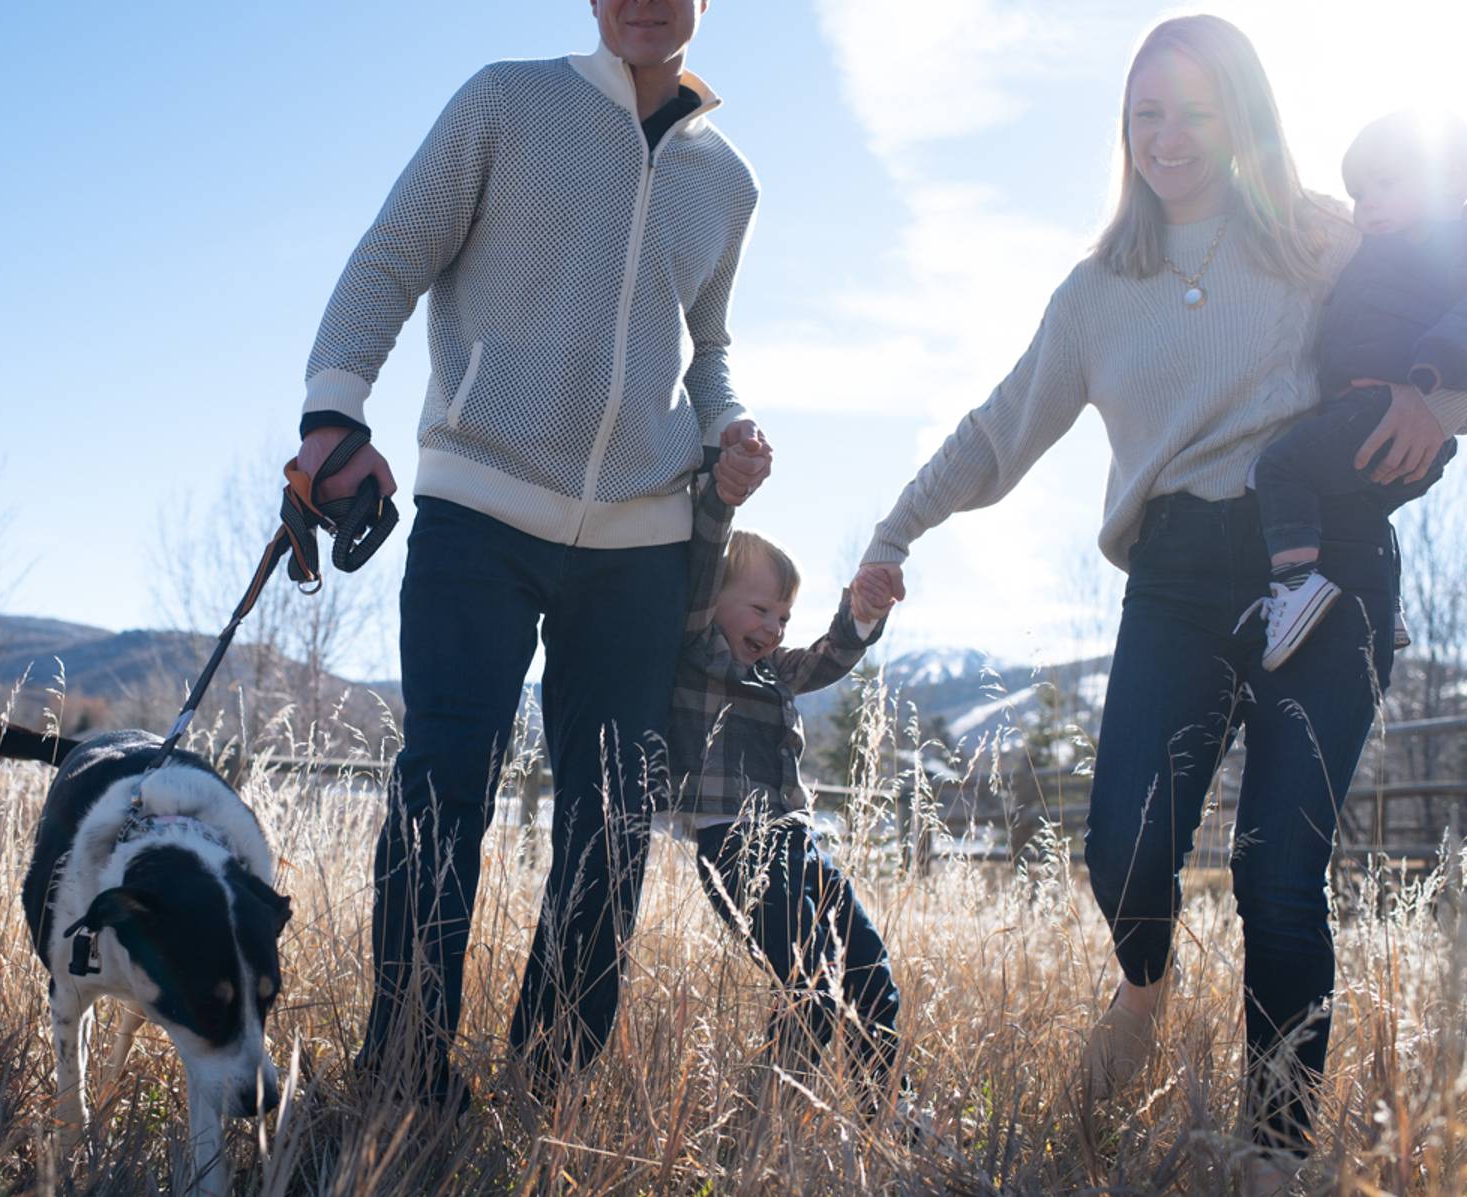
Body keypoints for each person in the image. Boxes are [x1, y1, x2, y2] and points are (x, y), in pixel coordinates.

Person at [849, 15, 1467, 1193]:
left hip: (1324, 565)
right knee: (1124, 849)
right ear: (1123, 131)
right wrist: (892, 535)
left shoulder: (1321, 241)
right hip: (1177, 576)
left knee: (1279, 877)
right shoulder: (1097, 292)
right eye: (1147, 114)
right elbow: (997, 432)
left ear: (1243, 120)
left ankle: (1273, 1156)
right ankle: (1145, 983)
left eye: (1197, 110)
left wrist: (1442, 394)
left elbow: (1451, 286)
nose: (1170, 136)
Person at [295, 0, 771, 1108]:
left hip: (641, 541)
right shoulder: (506, 102)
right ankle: (406, 1068)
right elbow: (390, 257)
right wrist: (332, 413)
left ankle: (549, 1086)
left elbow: (710, 344)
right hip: (481, 504)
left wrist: (729, 426)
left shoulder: (729, 177)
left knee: (609, 816)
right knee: (442, 787)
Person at [667, 463, 901, 1104]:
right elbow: (705, 549)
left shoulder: (772, 670)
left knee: (871, 974)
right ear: (711, 600)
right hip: (736, 849)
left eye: (783, 617)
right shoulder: (698, 654)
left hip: (801, 847)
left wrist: (860, 613)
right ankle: (758, 1117)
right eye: (761, 609)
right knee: (811, 989)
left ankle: (884, 1106)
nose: (773, 628)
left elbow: (830, 657)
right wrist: (721, 496)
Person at [1245, 110, 1467, 668]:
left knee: (1277, 469)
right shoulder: (1372, 251)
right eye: (1360, 193)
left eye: (1387, 186)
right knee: (1364, 510)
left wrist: (1429, 376)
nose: (1369, 204)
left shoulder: (1449, 239)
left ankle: (1295, 584)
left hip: (1382, 411)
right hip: (1372, 417)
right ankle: (1384, 603)